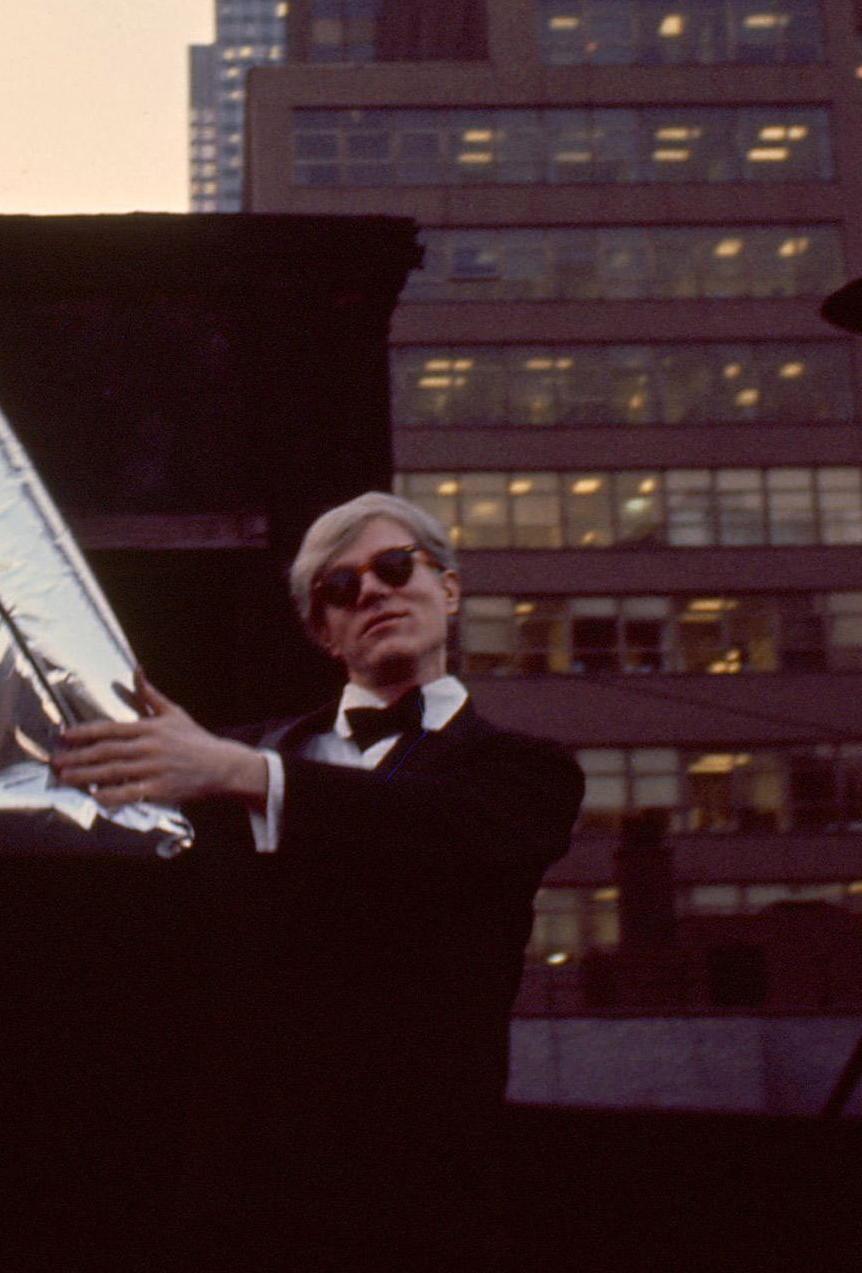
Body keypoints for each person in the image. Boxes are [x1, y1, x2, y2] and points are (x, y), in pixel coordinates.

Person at [54, 492, 582, 1271]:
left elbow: (436, 827)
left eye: (395, 566)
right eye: (339, 588)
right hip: (239, 1207)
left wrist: (250, 776)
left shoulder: (526, 774)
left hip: (419, 1208)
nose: (370, 590)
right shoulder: (218, 762)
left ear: (450, 588)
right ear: (322, 631)